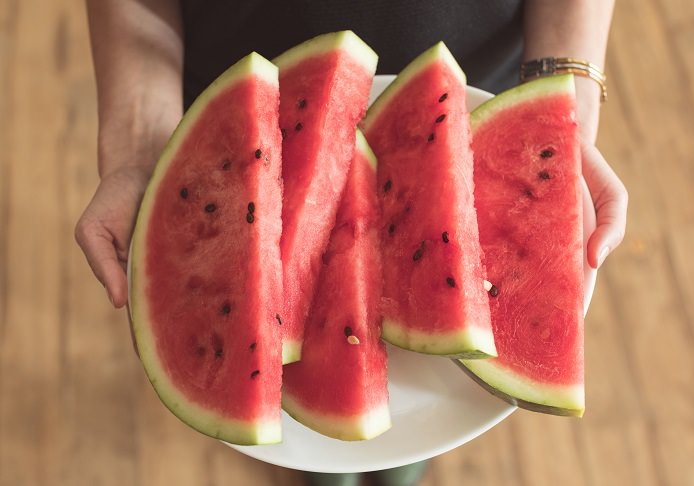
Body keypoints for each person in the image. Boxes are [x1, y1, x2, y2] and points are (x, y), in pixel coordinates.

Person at [76, 1, 626, 485]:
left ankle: (394, 462)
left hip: (472, 86)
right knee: (306, 421)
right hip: (246, 113)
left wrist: (565, 97)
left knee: (411, 427)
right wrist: (139, 148)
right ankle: (331, 467)